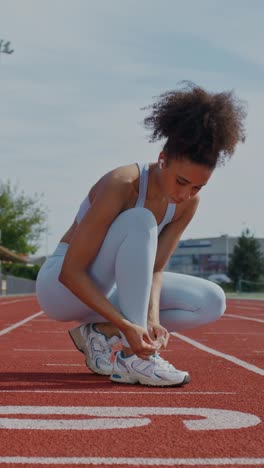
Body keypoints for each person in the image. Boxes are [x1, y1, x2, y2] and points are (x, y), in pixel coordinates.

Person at [36, 81, 246, 387]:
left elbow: (156, 270)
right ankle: (137, 359)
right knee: (140, 220)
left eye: (197, 187)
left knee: (211, 300)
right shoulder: (123, 184)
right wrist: (128, 324)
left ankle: (102, 333)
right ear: (162, 159)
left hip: (108, 292)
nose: (185, 194)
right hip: (61, 288)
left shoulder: (187, 205)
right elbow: (71, 272)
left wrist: (151, 320)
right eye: (181, 181)